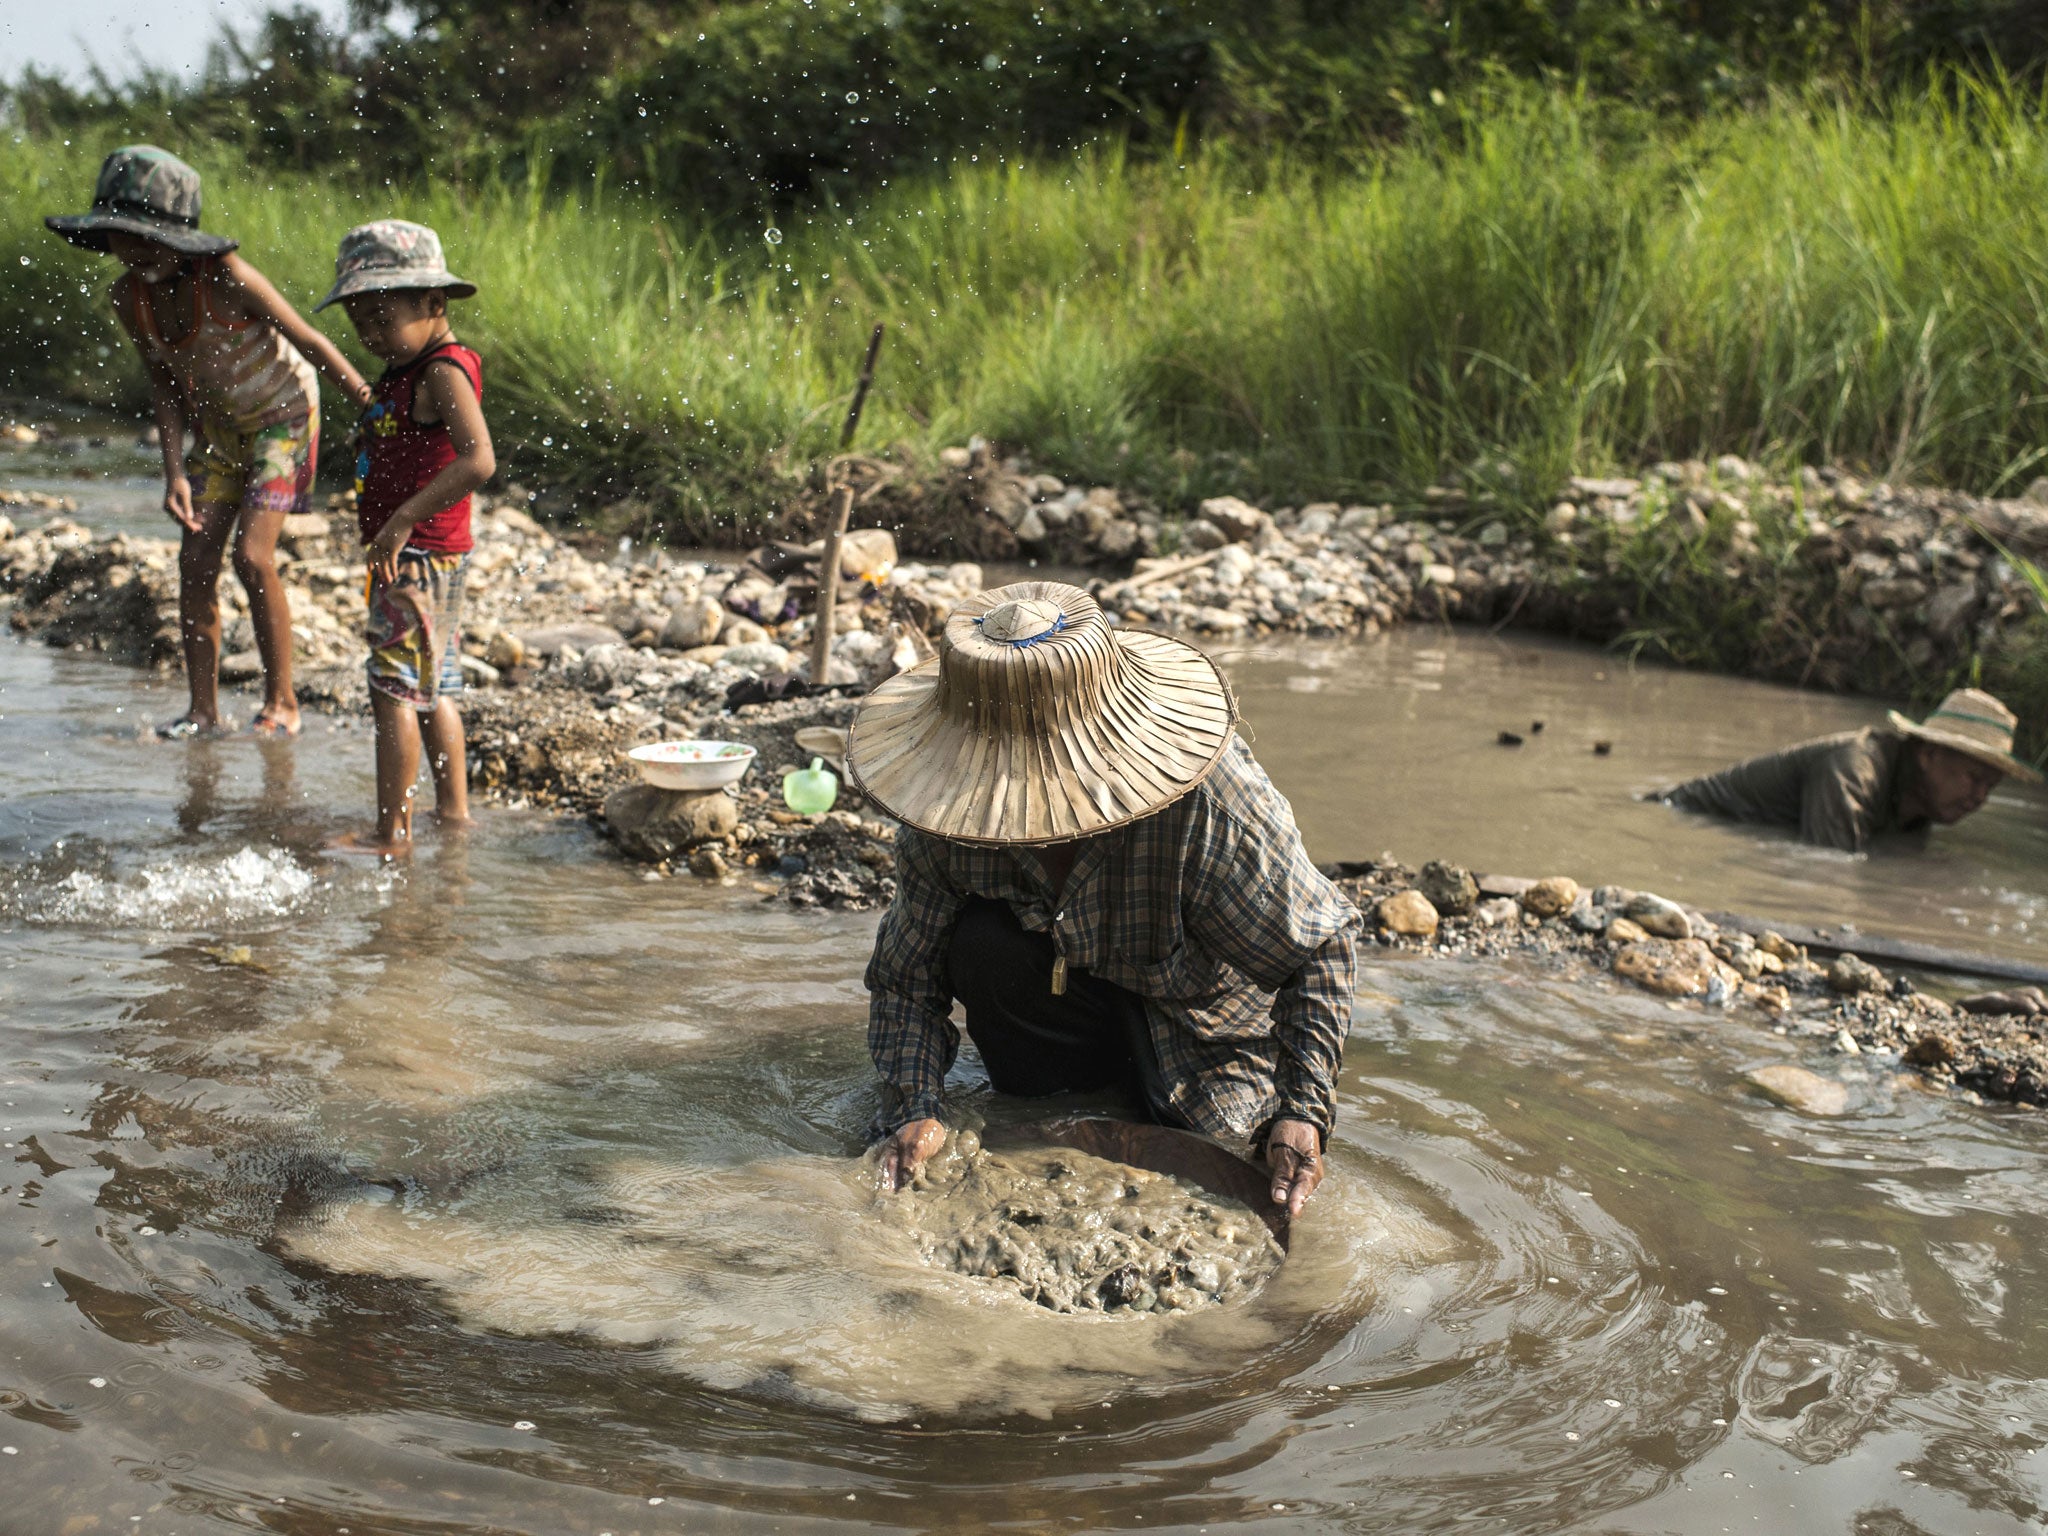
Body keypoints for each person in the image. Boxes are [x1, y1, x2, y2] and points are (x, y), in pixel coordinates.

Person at [846, 581, 1362, 1217]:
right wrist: (914, 1107)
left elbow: (1320, 946)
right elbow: (904, 984)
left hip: (1200, 1021)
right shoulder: (944, 820)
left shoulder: (1207, 804)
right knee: (985, 956)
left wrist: (1302, 1112)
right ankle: (1057, 1100)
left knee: (1217, 1153)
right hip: (1052, 1002)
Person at [46, 145, 371, 739]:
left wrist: (372, 405)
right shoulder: (129, 298)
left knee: (252, 558)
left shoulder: (230, 279)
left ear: (177, 238)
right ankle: (203, 711)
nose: (133, 250)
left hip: (284, 418)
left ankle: (283, 704)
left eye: (145, 238)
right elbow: (165, 383)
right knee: (194, 563)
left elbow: (311, 342)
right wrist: (172, 470)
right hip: (218, 431)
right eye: (120, 236)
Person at [317, 220, 493, 854]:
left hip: (416, 555)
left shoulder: (442, 370)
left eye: (382, 318)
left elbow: (479, 461)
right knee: (433, 687)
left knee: (391, 690)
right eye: (359, 322)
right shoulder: (407, 367)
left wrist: (399, 522)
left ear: (435, 304)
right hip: (429, 554)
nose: (369, 334)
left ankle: (391, 832)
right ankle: (454, 816)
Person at [1658, 687, 2040, 852]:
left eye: (1989, 788)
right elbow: (1826, 869)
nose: (1978, 799)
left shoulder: (1918, 804)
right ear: (1928, 755)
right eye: (1974, 779)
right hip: (1678, 815)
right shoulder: (1854, 770)